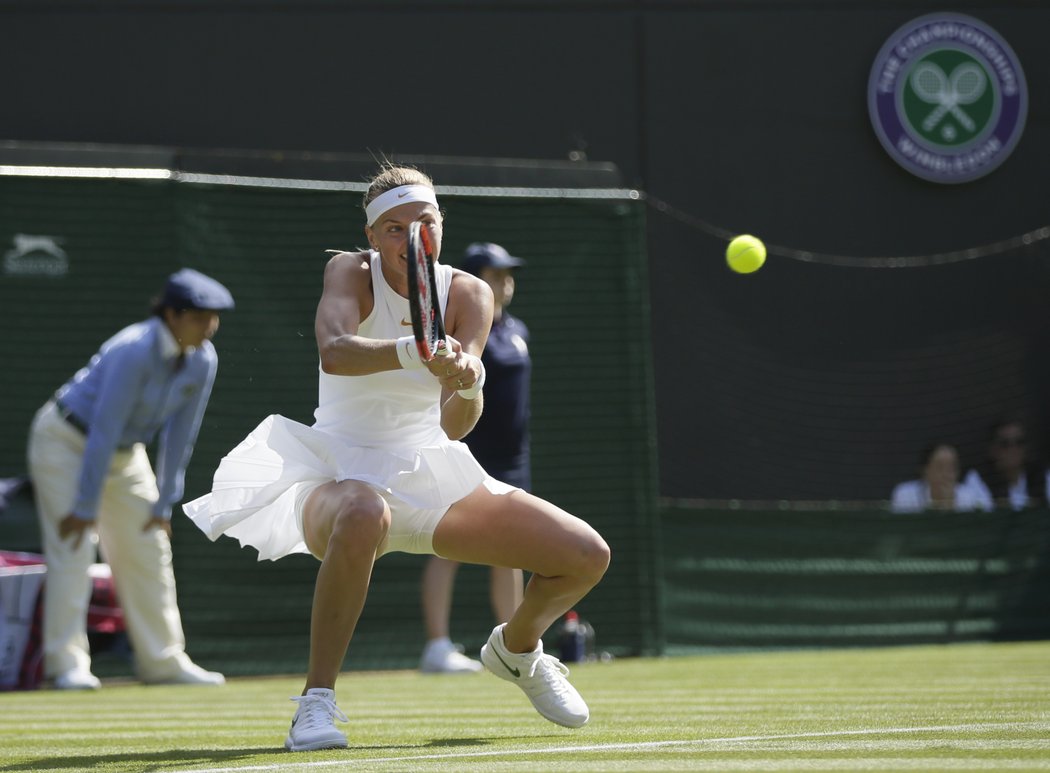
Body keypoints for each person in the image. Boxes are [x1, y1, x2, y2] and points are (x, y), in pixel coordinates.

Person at [183, 165, 610, 752]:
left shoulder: (468, 294)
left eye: (423, 222)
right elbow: (335, 353)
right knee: (363, 511)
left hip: (433, 481)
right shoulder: (348, 273)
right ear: (371, 236)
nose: (410, 236)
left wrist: (465, 382)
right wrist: (417, 351)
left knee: (585, 556)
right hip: (336, 478)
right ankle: (316, 702)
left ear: (440, 226)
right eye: (392, 228)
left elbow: (455, 424)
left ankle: (517, 649)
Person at [27, 268, 234, 690]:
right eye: (199, 316)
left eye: (214, 317)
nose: (209, 326)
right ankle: (66, 665)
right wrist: (86, 507)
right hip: (65, 442)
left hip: (124, 454)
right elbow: (103, 428)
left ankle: (163, 662)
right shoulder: (132, 349)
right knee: (75, 547)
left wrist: (164, 503)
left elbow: (181, 435)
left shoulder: (203, 358)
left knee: (149, 547)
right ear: (171, 316)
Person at [418, 242, 530, 674]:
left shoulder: (518, 330)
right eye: (496, 273)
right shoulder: (455, 334)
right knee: (448, 548)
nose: (505, 281)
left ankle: (514, 644)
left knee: (512, 550)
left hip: (513, 459)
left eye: (508, 273)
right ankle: (436, 646)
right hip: (465, 453)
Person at [963, 418, 1048, 511]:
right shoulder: (977, 478)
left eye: (1019, 442)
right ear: (993, 449)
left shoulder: (1042, 476)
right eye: (1005, 444)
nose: (1013, 449)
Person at [890, 442, 989, 513]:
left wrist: (950, 505)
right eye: (940, 467)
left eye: (952, 468)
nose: (946, 474)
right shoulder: (905, 494)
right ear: (925, 470)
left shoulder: (969, 498)